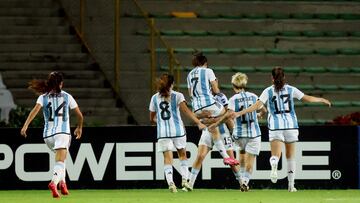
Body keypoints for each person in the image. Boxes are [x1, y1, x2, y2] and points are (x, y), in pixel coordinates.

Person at [225, 67, 331, 192]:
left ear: (272, 78)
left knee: (275, 155)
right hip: (291, 125)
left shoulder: (268, 91)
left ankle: (274, 163)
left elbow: (257, 106)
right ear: (284, 77)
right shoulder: (291, 89)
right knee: (290, 156)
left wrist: (240, 112)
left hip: (275, 126)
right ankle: (291, 186)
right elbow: (306, 98)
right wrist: (321, 99)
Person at [20, 71, 83, 198]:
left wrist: (25, 125)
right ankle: (54, 183)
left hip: (47, 136)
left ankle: (63, 184)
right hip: (62, 133)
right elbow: (80, 115)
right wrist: (79, 127)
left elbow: (35, 110)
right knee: (60, 161)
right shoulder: (67, 96)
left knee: (62, 157)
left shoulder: (43, 97)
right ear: (61, 83)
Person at [149, 73, 206, 193]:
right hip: (178, 131)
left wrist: (160, 122)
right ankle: (185, 180)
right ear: (172, 84)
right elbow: (186, 111)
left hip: (163, 132)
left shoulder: (154, 98)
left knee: (167, 159)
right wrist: (198, 122)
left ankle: (171, 183)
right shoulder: (178, 96)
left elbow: (152, 118)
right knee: (182, 155)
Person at [210, 72, 266, 192]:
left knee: (241, 158)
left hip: (239, 134)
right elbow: (264, 110)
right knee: (250, 161)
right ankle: (245, 182)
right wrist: (259, 114)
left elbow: (229, 115)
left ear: (233, 85)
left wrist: (216, 123)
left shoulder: (233, 99)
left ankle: (241, 181)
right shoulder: (253, 96)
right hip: (254, 134)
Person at [186, 52, 239, 166]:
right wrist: (218, 93)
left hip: (196, 108)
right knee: (227, 114)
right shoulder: (208, 71)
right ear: (205, 63)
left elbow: (190, 94)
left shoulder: (189, 74)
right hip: (209, 104)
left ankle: (226, 157)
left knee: (212, 126)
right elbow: (215, 90)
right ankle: (236, 135)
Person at [187, 93, 242, 191]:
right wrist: (204, 118)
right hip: (207, 131)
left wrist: (233, 131)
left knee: (231, 160)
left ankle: (242, 183)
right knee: (200, 156)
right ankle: (189, 184)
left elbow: (227, 115)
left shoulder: (220, 97)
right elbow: (195, 117)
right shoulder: (199, 99)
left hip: (222, 131)